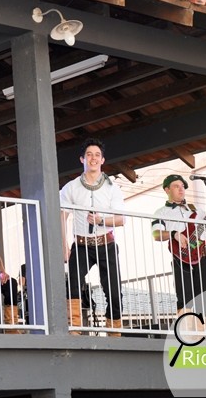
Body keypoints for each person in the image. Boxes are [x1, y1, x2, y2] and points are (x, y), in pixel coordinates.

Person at [59, 137, 125, 336]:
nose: (93, 158)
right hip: (81, 244)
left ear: (102, 160)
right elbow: (61, 216)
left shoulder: (112, 188)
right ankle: (74, 328)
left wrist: (101, 220)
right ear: (82, 159)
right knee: (72, 284)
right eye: (89, 155)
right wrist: (63, 245)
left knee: (113, 290)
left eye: (97, 155)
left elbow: (121, 219)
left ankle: (114, 331)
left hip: (106, 243)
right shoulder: (71, 187)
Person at [151, 174, 206, 320]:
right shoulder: (161, 212)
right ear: (167, 190)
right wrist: (174, 234)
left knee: (204, 294)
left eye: (182, 186)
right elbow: (156, 234)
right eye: (176, 186)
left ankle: (201, 326)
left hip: (202, 254)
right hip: (180, 256)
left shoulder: (196, 209)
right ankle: (185, 326)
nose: (181, 189)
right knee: (184, 295)